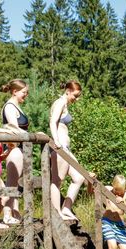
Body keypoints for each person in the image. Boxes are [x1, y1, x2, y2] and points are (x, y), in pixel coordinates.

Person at [49, 80, 85, 221]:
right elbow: (53, 121)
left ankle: (66, 208)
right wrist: (56, 141)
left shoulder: (65, 104)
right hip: (61, 147)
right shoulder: (60, 102)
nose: (76, 99)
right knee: (57, 181)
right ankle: (56, 212)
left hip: (66, 148)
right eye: (75, 96)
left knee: (79, 177)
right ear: (68, 91)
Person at [0, 79, 29, 224]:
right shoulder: (10, 107)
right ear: (15, 91)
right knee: (11, 183)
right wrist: (30, 136)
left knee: (15, 182)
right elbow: (14, 128)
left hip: (19, 148)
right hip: (14, 148)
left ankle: (14, 213)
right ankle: (6, 215)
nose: (26, 95)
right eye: (24, 92)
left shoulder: (16, 106)